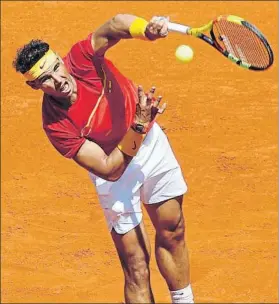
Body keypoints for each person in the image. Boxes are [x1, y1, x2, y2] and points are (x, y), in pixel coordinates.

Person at [13, 14, 194, 303]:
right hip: (117, 169)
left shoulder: (82, 59)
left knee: (173, 231)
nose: (59, 80)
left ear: (61, 59)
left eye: (56, 68)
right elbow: (110, 170)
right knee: (135, 265)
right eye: (45, 79)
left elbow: (114, 25)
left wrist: (145, 30)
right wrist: (138, 125)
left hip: (151, 147)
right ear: (34, 87)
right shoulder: (56, 125)